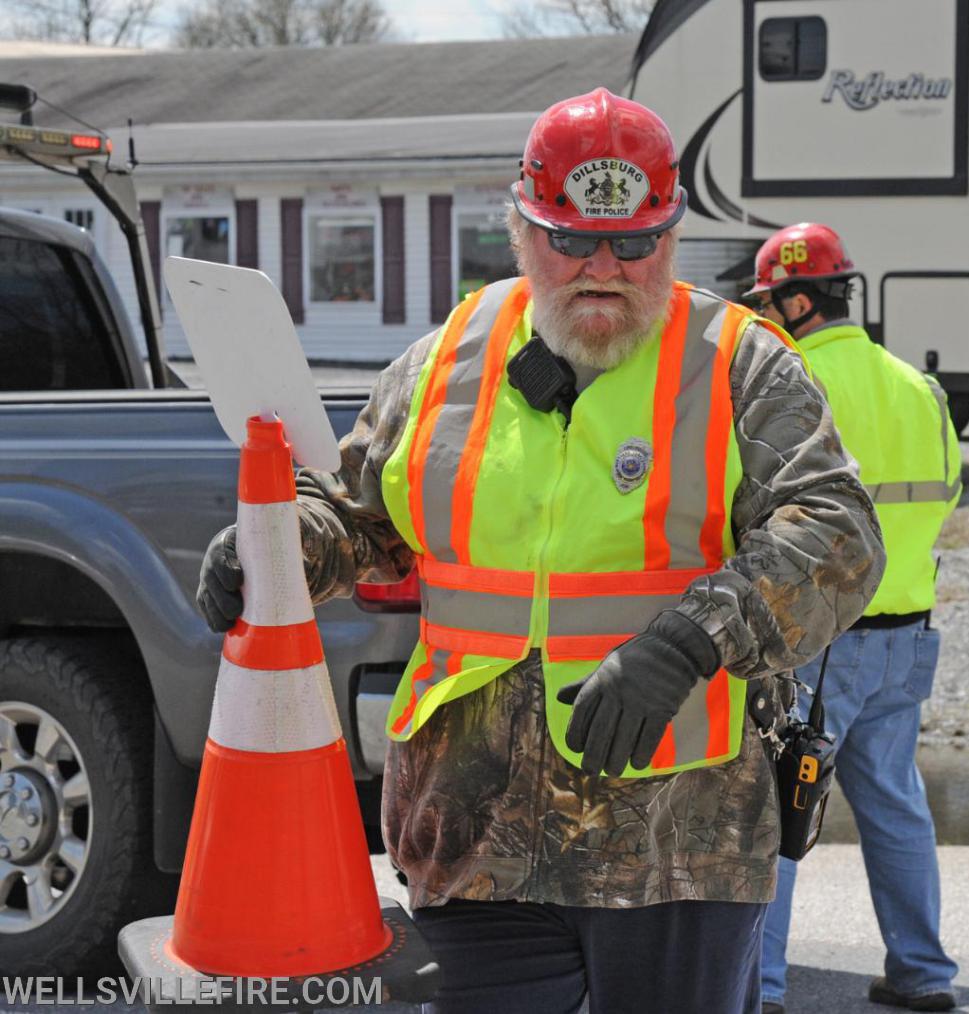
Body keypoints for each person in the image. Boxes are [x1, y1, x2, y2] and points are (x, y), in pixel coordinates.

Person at [197, 92, 884, 1014]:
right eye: (573, 240)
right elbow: (363, 516)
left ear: (670, 238)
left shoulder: (737, 363)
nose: (604, 268)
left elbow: (838, 532)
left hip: (677, 846)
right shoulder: (445, 361)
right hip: (471, 836)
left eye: (634, 244)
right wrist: (276, 548)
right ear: (523, 231)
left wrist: (689, 641)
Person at [743, 223, 961, 1014]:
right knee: (895, 804)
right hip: (908, 632)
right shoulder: (921, 387)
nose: (766, 318)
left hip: (822, 638)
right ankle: (925, 974)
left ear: (800, 300)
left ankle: (760, 988)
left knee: (781, 801)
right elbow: (950, 497)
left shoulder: (797, 381)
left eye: (771, 304)